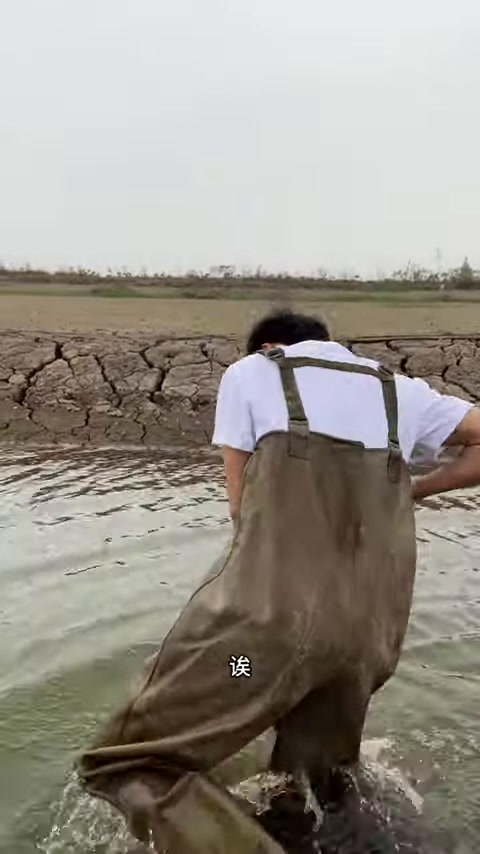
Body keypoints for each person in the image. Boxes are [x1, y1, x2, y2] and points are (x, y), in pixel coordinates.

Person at [78, 310, 480, 854]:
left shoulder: (252, 373)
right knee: (314, 778)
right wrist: (411, 492)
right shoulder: (398, 391)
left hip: (263, 641)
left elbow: (244, 513)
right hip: (362, 645)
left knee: (125, 763)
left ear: (269, 347)